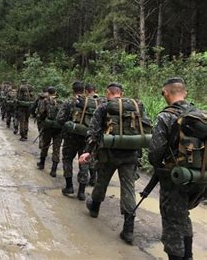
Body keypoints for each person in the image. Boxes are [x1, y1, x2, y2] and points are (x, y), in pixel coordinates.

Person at [80, 82, 149, 244]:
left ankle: (95, 208)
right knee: (128, 189)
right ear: (122, 93)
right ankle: (128, 230)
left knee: (102, 182)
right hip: (131, 154)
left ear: (107, 92)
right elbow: (144, 127)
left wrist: (88, 151)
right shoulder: (136, 106)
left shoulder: (104, 107)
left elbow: (94, 132)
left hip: (108, 153)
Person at [148, 78, 206, 260]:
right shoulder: (201, 115)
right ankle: (188, 255)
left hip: (174, 177)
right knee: (183, 214)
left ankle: (177, 256)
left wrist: (158, 166)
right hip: (199, 177)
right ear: (185, 93)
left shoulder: (165, 116)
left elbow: (155, 152)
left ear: (166, 93)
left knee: (172, 220)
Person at [56, 81, 89, 200]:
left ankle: (69, 187)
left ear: (73, 90)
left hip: (70, 138)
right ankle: (82, 192)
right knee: (84, 162)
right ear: (84, 90)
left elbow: (59, 119)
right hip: (86, 139)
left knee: (67, 159)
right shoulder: (90, 103)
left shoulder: (69, 102)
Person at [35, 87, 62, 177]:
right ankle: (53, 170)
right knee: (56, 148)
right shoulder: (61, 101)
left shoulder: (45, 101)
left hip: (48, 127)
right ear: (55, 92)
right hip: (58, 128)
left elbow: (41, 113)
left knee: (45, 145)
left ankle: (42, 163)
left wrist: (42, 122)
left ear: (48, 92)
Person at [85, 83, 103, 186]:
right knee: (93, 156)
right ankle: (93, 178)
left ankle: (83, 183)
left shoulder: (81, 101)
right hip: (98, 134)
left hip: (85, 132)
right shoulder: (103, 102)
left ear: (86, 91)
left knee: (86, 154)